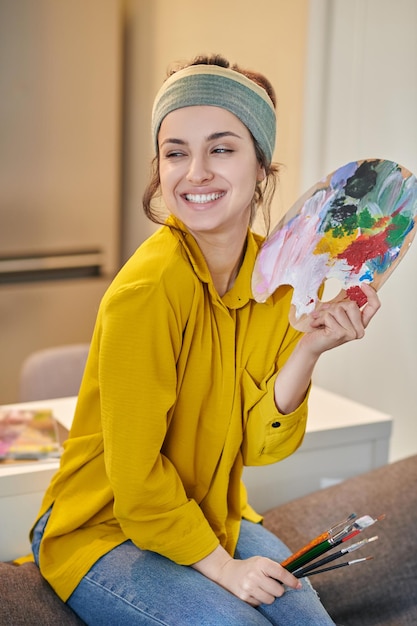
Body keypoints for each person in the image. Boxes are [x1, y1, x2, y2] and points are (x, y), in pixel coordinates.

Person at [31, 54, 380, 625]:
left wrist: (309, 349)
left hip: (209, 512)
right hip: (105, 527)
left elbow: (264, 447)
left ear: (262, 168)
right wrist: (224, 570)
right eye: (175, 152)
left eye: (221, 148)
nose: (195, 172)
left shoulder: (277, 280)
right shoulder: (145, 292)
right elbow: (137, 485)